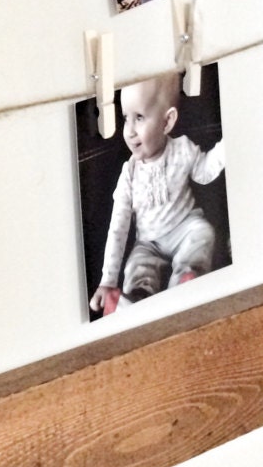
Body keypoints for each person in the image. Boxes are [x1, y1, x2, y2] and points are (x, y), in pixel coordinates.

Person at [90, 73, 225, 317]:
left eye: (139, 118)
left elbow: (205, 171)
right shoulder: (129, 173)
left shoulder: (182, 149)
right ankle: (138, 297)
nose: (129, 131)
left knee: (203, 233)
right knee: (137, 265)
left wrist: (227, 147)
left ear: (167, 122)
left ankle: (187, 277)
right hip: (149, 242)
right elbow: (118, 227)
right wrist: (108, 280)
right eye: (125, 119)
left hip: (184, 226)